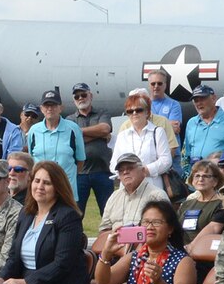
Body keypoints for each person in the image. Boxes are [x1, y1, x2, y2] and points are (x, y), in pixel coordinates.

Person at [90, 151, 170, 264]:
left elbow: (164, 230)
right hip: (113, 252)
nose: (125, 172)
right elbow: (104, 230)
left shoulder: (157, 196)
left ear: (143, 171)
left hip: (144, 256)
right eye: (121, 170)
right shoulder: (114, 197)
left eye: (130, 168)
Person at [27, 87, 88, 200]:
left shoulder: (73, 129)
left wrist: (65, 178)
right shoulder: (33, 131)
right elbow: (31, 159)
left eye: (54, 105)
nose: (50, 108)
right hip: (41, 192)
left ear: (61, 108)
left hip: (66, 192)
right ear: (41, 109)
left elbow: (80, 160)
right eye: (46, 105)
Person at [69, 83, 116, 218]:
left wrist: (79, 133)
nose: (80, 98)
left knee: (109, 213)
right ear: (74, 100)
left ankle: (109, 238)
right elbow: (72, 141)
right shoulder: (70, 119)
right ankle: (76, 239)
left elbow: (105, 129)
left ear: (91, 95)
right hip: (79, 173)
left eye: (83, 94)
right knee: (76, 214)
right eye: (77, 96)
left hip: (103, 171)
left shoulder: (103, 113)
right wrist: (98, 136)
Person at [181, 83, 224, 174]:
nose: (199, 103)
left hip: (223, 178)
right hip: (198, 179)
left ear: (213, 98)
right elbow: (187, 154)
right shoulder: (191, 123)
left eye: (202, 99)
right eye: (196, 100)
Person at [110, 89, 176, 179]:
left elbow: (166, 160)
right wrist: (127, 172)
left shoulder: (158, 132)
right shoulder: (122, 135)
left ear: (147, 112)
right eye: (130, 111)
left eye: (138, 110)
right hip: (128, 185)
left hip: (152, 183)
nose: (134, 113)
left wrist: (143, 171)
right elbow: (113, 163)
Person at [179, 160, 224, 246]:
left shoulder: (223, 204)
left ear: (215, 181)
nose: (201, 179)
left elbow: (214, 228)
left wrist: (191, 247)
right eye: (197, 176)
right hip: (182, 251)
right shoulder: (187, 204)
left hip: (205, 252)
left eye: (206, 176)